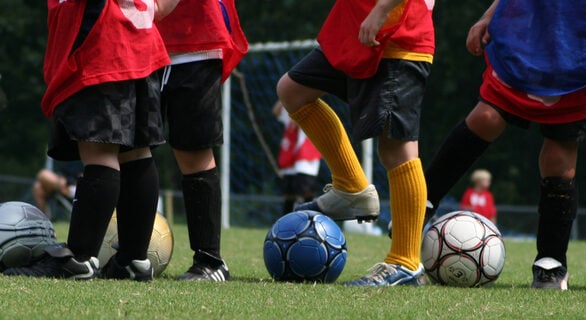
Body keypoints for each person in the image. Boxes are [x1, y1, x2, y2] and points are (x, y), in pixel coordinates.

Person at [418, 0, 586, 290]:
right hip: (525, 36)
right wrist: (490, 14)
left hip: (584, 48)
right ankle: (420, 204)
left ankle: (551, 261)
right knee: (486, 117)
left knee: (559, 155)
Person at [4, 0, 180, 281]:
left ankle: (79, 258)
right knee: (135, 151)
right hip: (139, 38)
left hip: (102, 39)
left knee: (100, 149)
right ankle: (133, 262)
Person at [276, 0, 435, 286]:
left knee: (396, 148)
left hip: (396, 34)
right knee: (292, 91)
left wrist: (382, 10)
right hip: (355, 30)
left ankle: (406, 261)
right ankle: (350, 188)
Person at [155, 0, 248, 282]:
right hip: (141, 41)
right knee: (132, 147)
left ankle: (210, 260)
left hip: (196, 41)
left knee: (192, 150)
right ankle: (130, 255)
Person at [272, 101, 322, 215]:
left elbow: (300, 120)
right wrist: (284, 96)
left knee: (306, 191)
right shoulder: (291, 108)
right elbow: (276, 111)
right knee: (289, 193)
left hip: (306, 158)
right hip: (291, 158)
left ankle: (309, 219)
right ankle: (286, 220)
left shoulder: (311, 108)